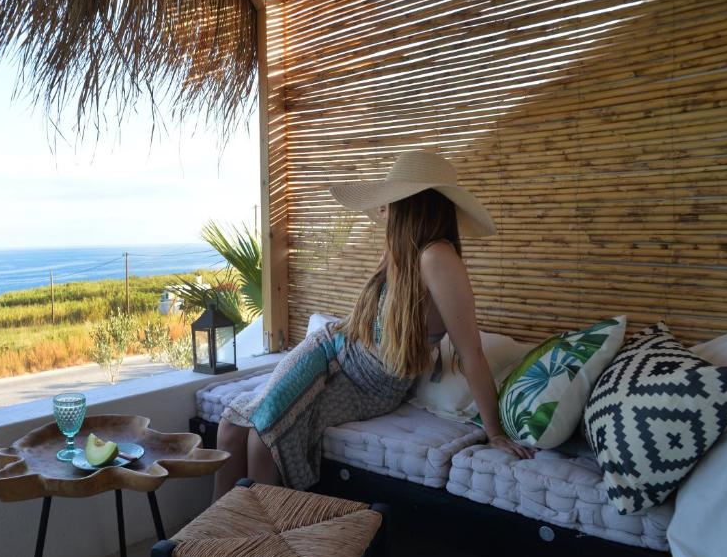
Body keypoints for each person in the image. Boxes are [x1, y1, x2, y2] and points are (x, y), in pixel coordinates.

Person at [213, 150, 533, 500]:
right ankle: (216, 540)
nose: (383, 209)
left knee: (264, 435)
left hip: (365, 382)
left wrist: (494, 431)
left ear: (414, 203)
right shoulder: (402, 250)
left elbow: (470, 351)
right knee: (231, 426)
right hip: (331, 349)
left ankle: (260, 545)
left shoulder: (437, 257)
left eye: (390, 199)